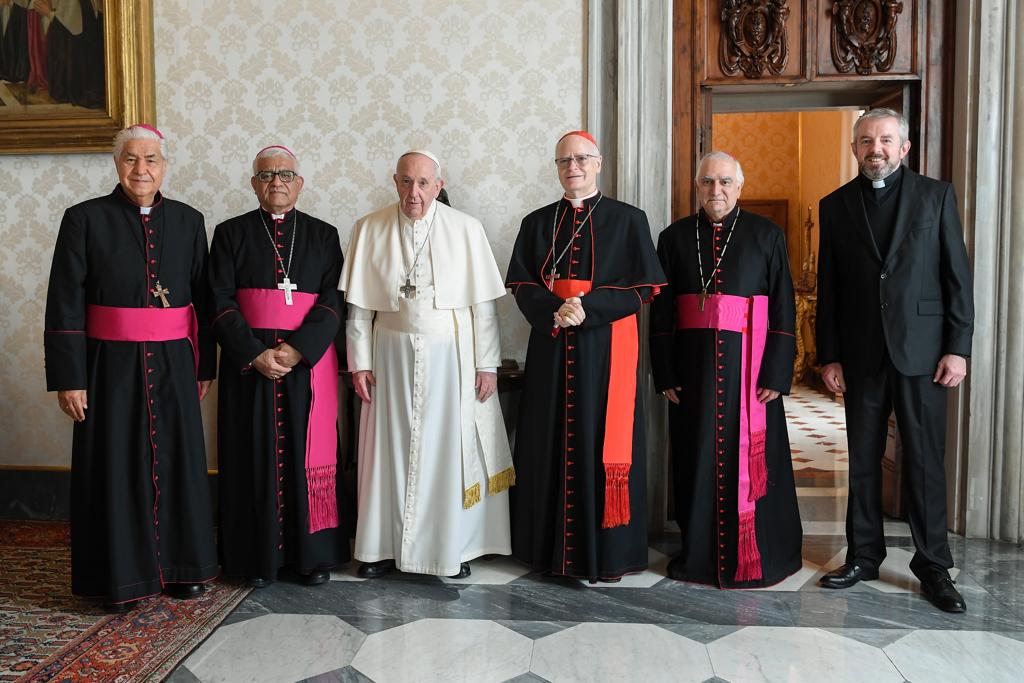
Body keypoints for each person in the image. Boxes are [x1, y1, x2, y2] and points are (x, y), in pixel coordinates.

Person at [44, 124, 217, 612]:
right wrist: (69, 378)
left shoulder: (188, 220)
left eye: (152, 160)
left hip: (174, 364)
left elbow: (201, 300)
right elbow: (64, 302)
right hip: (108, 366)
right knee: (115, 465)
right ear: (116, 164)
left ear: (164, 166)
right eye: (131, 160)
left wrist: (204, 366)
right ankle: (119, 577)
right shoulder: (83, 219)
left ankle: (184, 568)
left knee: (179, 460)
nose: (142, 169)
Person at [816, 108, 974, 613]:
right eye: (866, 141)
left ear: (904, 148)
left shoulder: (936, 195)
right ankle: (864, 555)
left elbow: (957, 277)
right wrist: (830, 355)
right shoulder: (836, 205)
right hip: (861, 353)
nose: (875, 148)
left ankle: (933, 567)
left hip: (925, 352)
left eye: (885, 140)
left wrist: (959, 345)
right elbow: (830, 288)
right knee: (862, 460)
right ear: (855, 149)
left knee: (925, 461)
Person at [340, 150, 513, 579]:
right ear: (394, 181)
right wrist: (358, 363)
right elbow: (359, 308)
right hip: (389, 354)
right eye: (405, 182)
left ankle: (448, 549)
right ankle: (379, 548)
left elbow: (483, 308)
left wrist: (487, 364)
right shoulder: (369, 227)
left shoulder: (466, 229)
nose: (413, 193)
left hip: (451, 354)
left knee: (444, 450)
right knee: (387, 448)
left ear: (439, 184)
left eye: (422, 183)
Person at [505, 131, 664, 583]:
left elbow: (643, 287)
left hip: (606, 350)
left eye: (580, 159)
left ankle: (607, 554)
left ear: (599, 163)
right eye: (563, 160)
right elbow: (520, 283)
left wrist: (587, 309)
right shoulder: (537, 222)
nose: (572, 167)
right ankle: (545, 551)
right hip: (551, 343)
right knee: (547, 441)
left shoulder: (629, 219)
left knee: (601, 443)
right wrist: (555, 310)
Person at [650, 151, 801, 588]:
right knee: (695, 459)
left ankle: (762, 551)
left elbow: (784, 309)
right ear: (696, 187)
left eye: (725, 182)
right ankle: (697, 554)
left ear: (740, 186)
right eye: (707, 182)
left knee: (754, 462)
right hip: (692, 373)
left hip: (750, 375)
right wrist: (664, 372)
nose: (716, 191)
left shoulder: (766, 235)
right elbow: (661, 313)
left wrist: (776, 373)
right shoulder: (673, 237)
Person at [209, 145, 348, 588]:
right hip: (249, 365)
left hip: (306, 367)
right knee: (250, 454)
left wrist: (297, 350)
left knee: (309, 457)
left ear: (300, 183)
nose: (277, 183)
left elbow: (334, 300)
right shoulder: (230, 234)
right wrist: (254, 353)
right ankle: (254, 559)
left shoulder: (325, 236)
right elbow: (218, 300)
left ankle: (313, 557)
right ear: (254, 184)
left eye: (286, 175)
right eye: (267, 176)